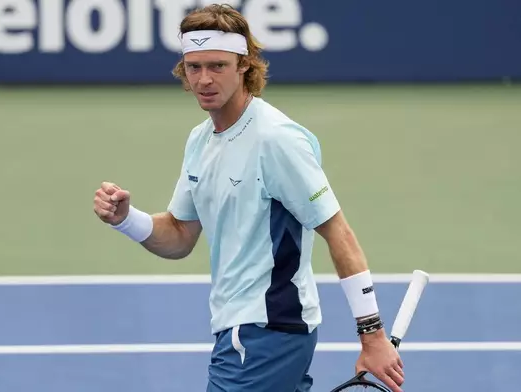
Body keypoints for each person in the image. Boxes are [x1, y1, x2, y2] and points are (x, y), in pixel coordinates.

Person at [93, 4, 404, 392]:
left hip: (265, 330)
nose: (204, 79)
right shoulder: (200, 141)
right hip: (243, 329)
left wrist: (372, 335)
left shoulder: (276, 139)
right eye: (195, 67)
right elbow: (178, 236)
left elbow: (339, 232)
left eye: (218, 66)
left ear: (244, 65)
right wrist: (125, 218)